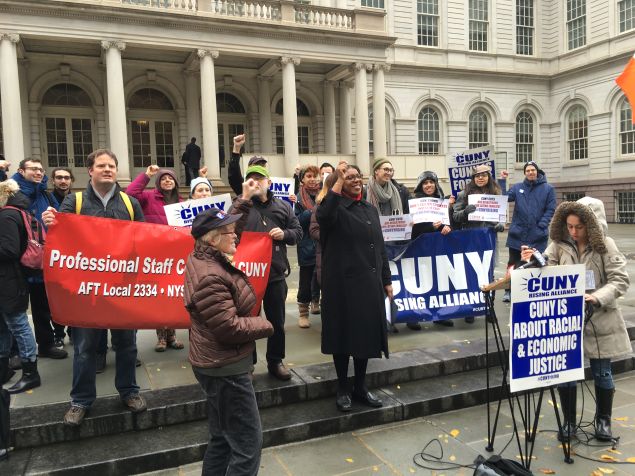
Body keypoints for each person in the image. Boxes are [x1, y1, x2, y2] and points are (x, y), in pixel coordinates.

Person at [42, 149, 147, 426]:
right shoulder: (73, 201)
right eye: (101, 165)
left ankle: (129, 391)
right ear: (90, 170)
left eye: (111, 165)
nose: (108, 170)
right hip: (86, 291)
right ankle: (81, 401)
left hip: (122, 290)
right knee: (85, 348)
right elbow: (58, 236)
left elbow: (146, 241)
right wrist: (50, 223)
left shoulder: (130, 202)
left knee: (126, 345)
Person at [520, 197, 630, 443]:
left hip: (600, 317)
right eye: (569, 226)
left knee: (602, 372)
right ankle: (568, 422)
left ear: (591, 224)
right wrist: (532, 259)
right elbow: (544, 267)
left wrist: (597, 297)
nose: (573, 231)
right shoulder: (558, 243)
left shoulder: (606, 245)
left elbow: (620, 280)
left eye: (578, 227)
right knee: (567, 371)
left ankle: (603, 422)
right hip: (566, 319)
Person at [184, 206, 273, 475]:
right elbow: (228, 327)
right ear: (212, 238)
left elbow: (232, 229)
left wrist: (245, 201)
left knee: (222, 438)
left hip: (217, 363)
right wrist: (265, 325)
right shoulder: (211, 274)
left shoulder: (209, 258)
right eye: (229, 232)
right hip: (225, 368)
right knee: (247, 444)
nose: (235, 236)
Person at [317, 162, 391, 412]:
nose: (355, 180)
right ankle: (342, 388)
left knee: (365, 336)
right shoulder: (334, 208)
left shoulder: (370, 209)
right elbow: (324, 215)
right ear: (339, 182)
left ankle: (360, 385)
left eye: (357, 176)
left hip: (369, 285)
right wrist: (337, 179)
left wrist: (387, 279)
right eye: (349, 177)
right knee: (342, 337)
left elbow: (380, 248)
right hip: (342, 285)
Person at [230, 164, 302, 381]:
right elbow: (229, 229)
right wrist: (244, 197)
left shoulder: (282, 207)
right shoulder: (240, 204)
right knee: (247, 322)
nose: (256, 182)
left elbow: (298, 232)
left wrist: (285, 233)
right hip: (246, 275)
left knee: (276, 321)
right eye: (251, 179)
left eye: (260, 179)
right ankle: (247, 364)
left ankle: (275, 360)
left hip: (275, 273)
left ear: (268, 183)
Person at [12, 159, 67, 359]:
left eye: (41, 169)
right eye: (33, 169)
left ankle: (46, 344)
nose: (38, 172)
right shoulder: (12, 193)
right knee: (16, 309)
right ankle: (16, 352)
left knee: (42, 304)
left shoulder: (45, 194)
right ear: (21, 171)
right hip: (18, 257)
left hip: (43, 256)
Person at [126, 165, 185, 352]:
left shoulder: (181, 202)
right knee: (159, 296)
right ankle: (161, 337)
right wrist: (147, 175)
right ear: (158, 183)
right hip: (155, 255)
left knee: (172, 295)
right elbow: (130, 193)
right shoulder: (148, 197)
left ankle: (172, 336)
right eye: (163, 179)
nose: (167, 181)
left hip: (175, 255)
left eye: (170, 179)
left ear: (175, 183)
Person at [0, 179, 41, 393]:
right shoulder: (17, 211)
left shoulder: (7, 215)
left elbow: (9, 250)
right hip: (10, 279)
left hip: (9, 281)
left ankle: (30, 372)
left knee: (18, 325)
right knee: (5, 325)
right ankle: (4, 368)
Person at [364, 158, 414, 332]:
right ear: (376, 171)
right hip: (371, 245)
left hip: (393, 244)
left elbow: (406, 213)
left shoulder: (399, 191)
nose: (388, 172)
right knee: (375, 284)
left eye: (391, 170)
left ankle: (391, 319)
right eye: (385, 169)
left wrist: (408, 223)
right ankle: (378, 321)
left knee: (392, 283)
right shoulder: (365, 191)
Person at [452, 164, 505, 324]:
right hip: (471, 240)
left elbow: (501, 219)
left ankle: (489, 309)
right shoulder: (464, 194)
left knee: (489, 275)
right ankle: (470, 310)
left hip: (489, 241)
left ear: (489, 177)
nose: (480, 178)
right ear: (473, 178)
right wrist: (465, 212)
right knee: (471, 274)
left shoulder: (496, 194)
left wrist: (500, 226)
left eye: (484, 175)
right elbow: (455, 217)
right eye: (477, 175)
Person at [503, 161, 556, 302]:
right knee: (513, 263)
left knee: (536, 264)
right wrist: (502, 180)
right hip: (517, 235)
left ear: (537, 172)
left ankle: (532, 291)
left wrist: (542, 225)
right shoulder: (518, 188)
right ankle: (509, 290)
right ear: (525, 173)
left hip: (537, 235)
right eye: (528, 170)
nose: (531, 172)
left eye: (533, 170)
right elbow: (504, 198)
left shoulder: (548, 189)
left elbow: (550, 209)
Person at [411, 170, 455, 328]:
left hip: (438, 248)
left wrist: (447, 227)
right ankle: (413, 316)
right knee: (418, 283)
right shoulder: (414, 202)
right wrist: (430, 227)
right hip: (419, 248)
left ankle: (438, 314)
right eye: (425, 183)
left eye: (431, 182)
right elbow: (412, 231)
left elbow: (449, 224)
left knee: (438, 282)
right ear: (420, 185)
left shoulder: (443, 202)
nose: (429, 185)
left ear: (436, 184)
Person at [50, 167, 75, 347]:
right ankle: (58, 333)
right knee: (58, 298)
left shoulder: (77, 200)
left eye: (66, 178)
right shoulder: (47, 198)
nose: (63, 181)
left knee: (75, 297)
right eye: (59, 178)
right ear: (53, 181)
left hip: (75, 255)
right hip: (56, 254)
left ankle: (73, 331)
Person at [295, 165, 321, 328]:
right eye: (309, 176)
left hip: (323, 243)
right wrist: (312, 211)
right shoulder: (296, 198)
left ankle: (317, 303)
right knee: (305, 281)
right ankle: (303, 313)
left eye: (315, 176)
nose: (312, 179)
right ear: (302, 179)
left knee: (323, 278)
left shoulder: (325, 194)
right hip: (306, 245)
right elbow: (295, 222)